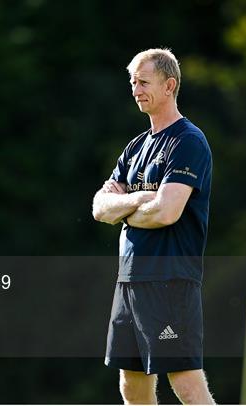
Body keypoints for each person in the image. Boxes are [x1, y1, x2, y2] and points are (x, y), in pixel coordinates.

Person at [92, 48, 215, 404]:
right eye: (132, 82)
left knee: (186, 382)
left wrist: (126, 209)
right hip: (129, 278)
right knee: (131, 380)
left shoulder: (188, 141)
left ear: (169, 85)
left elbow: (166, 213)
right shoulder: (134, 148)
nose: (135, 89)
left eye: (143, 82)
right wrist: (138, 201)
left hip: (170, 278)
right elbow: (101, 208)